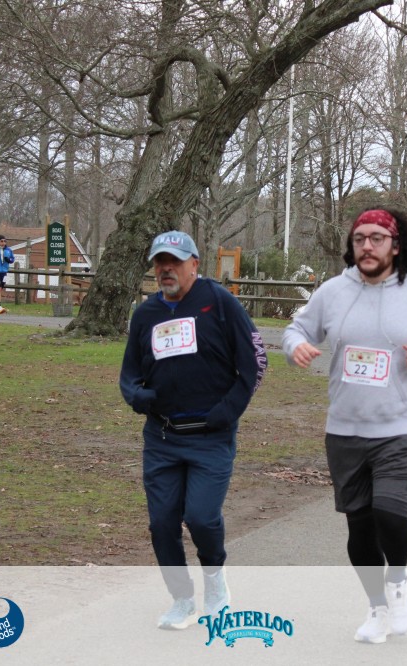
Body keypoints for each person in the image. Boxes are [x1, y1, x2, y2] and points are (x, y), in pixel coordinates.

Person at [282, 208, 407, 644]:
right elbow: (296, 329)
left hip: (400, 426)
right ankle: (377, 608)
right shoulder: (333, 291)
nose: (367, 246)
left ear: (395, 245)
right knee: (360, 528)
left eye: (377, 238)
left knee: (390, 515)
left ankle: (399, 581)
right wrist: (295, 347)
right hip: (345, 428)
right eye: (359, 238)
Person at [120, 230, 267, 630]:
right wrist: (137, 395)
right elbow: (129, 372)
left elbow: (256, 362)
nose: (166, 269)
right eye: (160, 262)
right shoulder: (146, 314)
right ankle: (182, 599)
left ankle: (215, 584)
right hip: (163, 437)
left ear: (194, 264)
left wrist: (227, 411)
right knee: (162, 523)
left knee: (201, 517)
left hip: (210, 436)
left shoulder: (218, 302)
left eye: (175, 262)